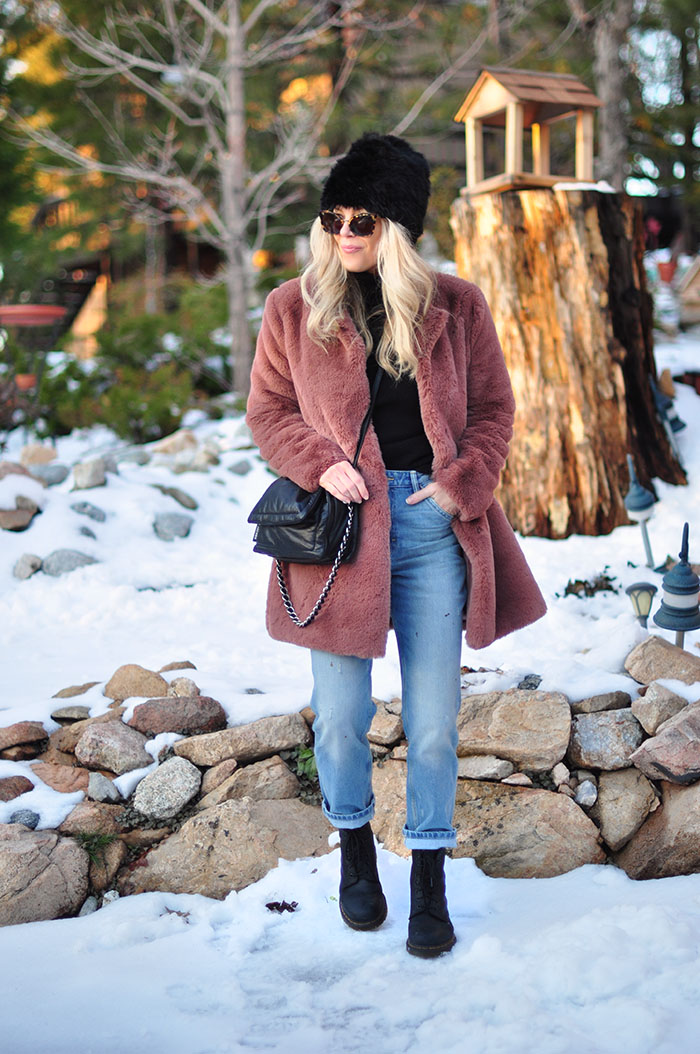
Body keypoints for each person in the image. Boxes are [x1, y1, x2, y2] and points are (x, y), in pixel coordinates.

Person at [246, 133, 546, 958]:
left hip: (428, 525)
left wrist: (463, 483)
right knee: (340, 717)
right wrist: (319, 464)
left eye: (364, 219)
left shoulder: (457, 305)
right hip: (341, 531)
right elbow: (268, 412)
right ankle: (353, 855)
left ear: (398, 229)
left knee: (435, 720)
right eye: (334, 217)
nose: (345, 232)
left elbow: (494, 411)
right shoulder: (292, 307)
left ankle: (429, 878)